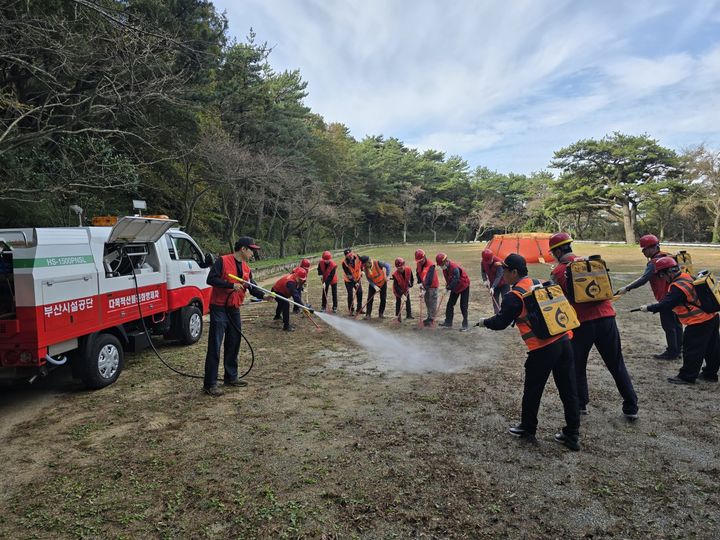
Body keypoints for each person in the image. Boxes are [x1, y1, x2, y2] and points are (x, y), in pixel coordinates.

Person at [477, 254, 581, 451]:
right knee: (569, 390)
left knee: (533, 389)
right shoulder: (542, 282)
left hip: (543, 348)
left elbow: (500, 323)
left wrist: (484, 322)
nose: (503, 274)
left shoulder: (514, 296)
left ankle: (528, 428)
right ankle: (572, 434)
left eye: (505, 271)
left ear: (514, 272)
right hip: (565, 341)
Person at [549, 232, 639, 420]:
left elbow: (558, 298)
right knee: (616, 363)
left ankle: (581, 404)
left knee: (577, 365)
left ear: (558, 251)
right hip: (607, 318)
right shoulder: (591, 263)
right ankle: (631, 405)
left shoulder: (558, 271)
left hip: (581, 323)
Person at [638, 257, 719, 384]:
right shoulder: (686, 276)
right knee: (712, 348)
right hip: (712, 316)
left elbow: (666, 304)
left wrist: (648, 308)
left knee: (692, 349)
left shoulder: (677, 286)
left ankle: (687, 376)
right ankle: (710, 374)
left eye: (661, 275)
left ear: (668, 273)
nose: (662, 278)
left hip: (698, 321)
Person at [204, 236, 264, 397]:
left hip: (234, 308)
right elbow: (211, 279)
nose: (253, 253)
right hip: (219, 308)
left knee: (234, 342)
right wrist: (230, 285)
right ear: (243, 249)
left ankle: (231, 377)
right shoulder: (222, 261)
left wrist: (265, 296)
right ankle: (210, 384)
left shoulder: (246, 268)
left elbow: (252, 286)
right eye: (252, 250)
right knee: (215, 345)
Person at [616, 234, 683, 360]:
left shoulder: (654, 263)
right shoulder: (669, 255)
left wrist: (627, 288)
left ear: (652, 248)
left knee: (668, 326)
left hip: (665, 297)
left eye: (644, 249)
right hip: (677, 294)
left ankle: (672, 352)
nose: (643, 252)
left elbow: (644, 279)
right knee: (677, 324)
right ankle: (679, 349)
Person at [436, 252, 471, 331]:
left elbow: (456, 280)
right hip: (455, 288)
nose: (441, 266)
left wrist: (448, 288)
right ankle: (448, 322)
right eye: (440, 265)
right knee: (450, 304)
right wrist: (447, 286)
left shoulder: (454, 268)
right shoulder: (444, 269)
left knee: (463, 306)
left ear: (445, 261)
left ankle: (465, 324)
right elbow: (449, 279)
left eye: (441, 264)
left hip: (464, 286)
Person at [272, 267, 308, 332]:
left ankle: (277, 316)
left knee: (281, 303)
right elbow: (296, 297)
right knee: (285, 304)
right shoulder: (290, 282)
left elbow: (298, 290)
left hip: (281, 291)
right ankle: (286, 326)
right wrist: (303, 307)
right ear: (296, 276)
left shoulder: (295, 278)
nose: (301, 281)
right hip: (276, 291)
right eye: (300, 279)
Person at [415, 249, 439, 327]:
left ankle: (432, 319)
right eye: (419, 261)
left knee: (432, 302)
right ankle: (429, 317)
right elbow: (418, 272)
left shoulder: (431, 265)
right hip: (424, 285)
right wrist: (419, 282)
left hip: (432, 286)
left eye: (421, 260)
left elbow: (429, 279)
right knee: (427, 302)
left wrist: (424, 290)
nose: (420, 262)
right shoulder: (418, 263)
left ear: (424, 257)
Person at [481, 249, 508, 314]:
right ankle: (497, 316)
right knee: (495, 301)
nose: (489, 262)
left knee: (505, 301)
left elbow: (499, 276)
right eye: (488, 261)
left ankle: (506, 316)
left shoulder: (498, 262)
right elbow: (483, 271)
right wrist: (485, 280)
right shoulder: (483, 262)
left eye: (490, 260)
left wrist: (493, 287)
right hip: (494, 285)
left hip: (504, 284)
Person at [342, 248, 363, 315]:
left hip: (358, 277)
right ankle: (351, 310)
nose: (350, 256)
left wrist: (362, 270)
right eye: (348, 255)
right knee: (350, 294)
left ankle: (359, 309)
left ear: (352, 253)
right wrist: (355, 283)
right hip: (349, 281)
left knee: (359, 292)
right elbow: (349, 275)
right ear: (346, 256)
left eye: (350, 254)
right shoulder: (344, 263)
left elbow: (361, 263)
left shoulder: (357, 257)